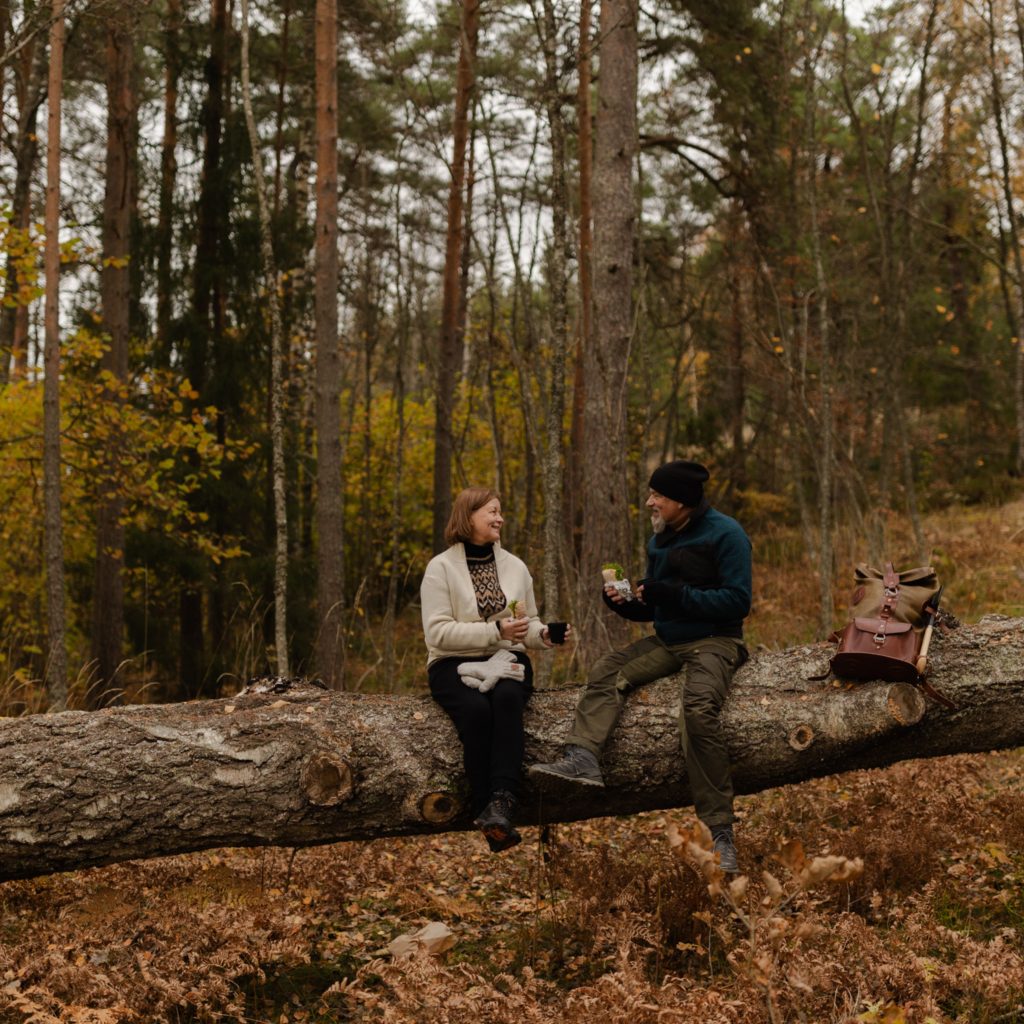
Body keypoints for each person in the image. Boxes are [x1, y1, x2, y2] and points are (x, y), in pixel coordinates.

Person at [528, 460, 751, 872]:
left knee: (698, 711)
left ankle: (721, 834)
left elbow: (739, 602)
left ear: (682, 501)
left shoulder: (727, 534)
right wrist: (626, 604)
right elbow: (656, 604)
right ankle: (583, 758)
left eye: (658, 496)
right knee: (607, 669)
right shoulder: (660, 539)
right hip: (669, 641)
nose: (650, 502)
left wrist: (675, 595)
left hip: (716, 641)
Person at [421, 486, 565, 853]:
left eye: (500, 512)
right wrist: (494, 630)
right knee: (473, 710)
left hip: (507, 657)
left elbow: (526, 624)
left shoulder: (515, 567)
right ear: (467, 517)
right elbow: (436, 631)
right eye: (492, 512)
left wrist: (544, 633)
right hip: (451, 662)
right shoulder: (440, 568)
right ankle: (486, 809)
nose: (500, 518)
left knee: (505, 698)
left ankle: (502, 801)